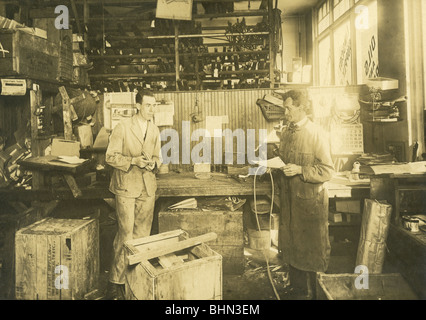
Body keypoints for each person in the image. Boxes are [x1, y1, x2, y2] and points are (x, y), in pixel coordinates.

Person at [275, 89, 334, 299]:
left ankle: (316, 293)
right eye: (284, 108)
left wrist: (300, 170)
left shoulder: (316, 133)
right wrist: (271, 166)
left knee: (311, 249)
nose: (285, 112)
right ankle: (297, 290)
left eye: (289, 108)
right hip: (290, 201)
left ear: (302, 107)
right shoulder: (287, 133)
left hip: (310, 204)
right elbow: (284, 161)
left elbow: (328, 170)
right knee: (291, 246)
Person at [105, 90, 161, 300]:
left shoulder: (154, 130)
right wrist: (133, 161)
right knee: (126, 235)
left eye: (154, 106)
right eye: (148, 105)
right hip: (126, 186)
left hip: (147, 187)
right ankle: (115, 282)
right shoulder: (123, 127)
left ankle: (134, 281)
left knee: (142, 236)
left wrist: (154, 162)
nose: (152, 110)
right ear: (138, 106)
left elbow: (158, 157)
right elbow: (110, 157)